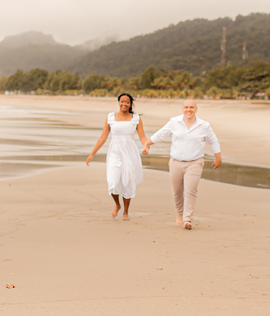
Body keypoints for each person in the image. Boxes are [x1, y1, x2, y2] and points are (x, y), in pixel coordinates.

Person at [142, 98, 222, 230]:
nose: (188, 110)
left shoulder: (204, 125)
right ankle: (179, 214)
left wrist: (218, 158)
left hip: (195, 163)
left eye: (191, 107)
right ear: (182, 109)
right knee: (177, 191)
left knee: (190, 191)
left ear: (196, 109)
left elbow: (213, 141)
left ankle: (187, 219)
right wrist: (147, 144)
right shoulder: (174, 122)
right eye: (186, 107)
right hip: (175, 162)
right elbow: (161, 134)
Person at [85, 93, 151, 220]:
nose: (124, 104)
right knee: (113, 182)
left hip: (130, 152)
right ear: (118, 102)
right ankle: (117, 204)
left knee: (128, 182)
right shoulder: (110, 117)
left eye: (127, 102)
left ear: (130, 104)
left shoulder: (136, 118)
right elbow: (103, 137)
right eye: (122, 101)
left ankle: (126, 211)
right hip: (115, 152)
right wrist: (92, 154)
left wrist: (146, 146)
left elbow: (142, 136)